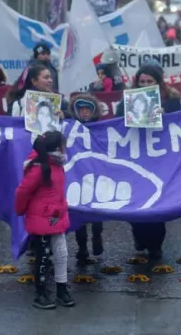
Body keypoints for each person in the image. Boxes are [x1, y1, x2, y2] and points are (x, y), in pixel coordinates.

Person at [116, 62, 179, 259]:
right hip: (136, 156)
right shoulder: (127, 100)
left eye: (149, 81)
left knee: (157, 200)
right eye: (141, 81)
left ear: (158, 82)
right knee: (137, 199)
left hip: (160, 158)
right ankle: (139, 235)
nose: (144, 84)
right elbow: (116, 123)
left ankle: (156, 243)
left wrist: (166, 116)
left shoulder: (172, 100)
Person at [14, 130, 74, 310]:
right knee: (43, 257)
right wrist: (20, 210)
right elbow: (22, 191)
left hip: (56, 217)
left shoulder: (56, 164)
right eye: (63, 146)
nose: (65, 149)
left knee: (61, 253)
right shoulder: (39, 168)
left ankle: (62, 289)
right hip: (42, 219)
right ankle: (40, 293)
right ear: (57, 148)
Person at [70, 94, 104, 264]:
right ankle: (82, 247)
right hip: (78, 176)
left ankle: (97, 237)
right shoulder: (70, 127)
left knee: (97, 212)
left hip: (97, 175)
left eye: (88, 109)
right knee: (80, 215)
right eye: (81, 109)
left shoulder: (102, 127)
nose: (84, 112)